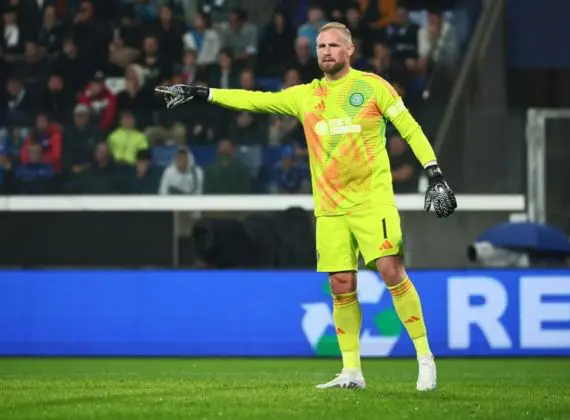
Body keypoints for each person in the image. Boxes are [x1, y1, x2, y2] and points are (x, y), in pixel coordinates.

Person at [155, 22, 457, 392]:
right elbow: (255, 99)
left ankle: (425, 359)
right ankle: (352, 371)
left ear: (349, 51)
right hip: (329, 208)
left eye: (333, 45)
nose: (326, 51)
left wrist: (434, 171)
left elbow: (410, 128)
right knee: (340, 283)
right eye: (320, 46)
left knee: (391, 271)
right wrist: (203, 92)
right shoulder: (305, 96)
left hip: (371, 201)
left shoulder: (373, 86)